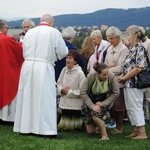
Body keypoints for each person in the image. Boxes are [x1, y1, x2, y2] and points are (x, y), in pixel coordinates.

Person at [13, 14, 68, 136]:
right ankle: (46, 130)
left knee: (27, 96)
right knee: (45, 97)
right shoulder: (54, 32)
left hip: (27, 66)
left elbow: (24, 51)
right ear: (51, 22)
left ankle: (25, 127)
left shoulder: (29, 33)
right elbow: (63, 52)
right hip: (44, 66)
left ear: (41, 21)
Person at [118, 25, 148, 140]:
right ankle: (136, 130)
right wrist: (123, 76)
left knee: (136, 106)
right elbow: (127, 66)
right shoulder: (132, 49)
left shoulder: (140, 48)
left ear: (135, 35)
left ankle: (142, 132)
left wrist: (125, 77)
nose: (127, 37)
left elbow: (139, 68)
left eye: (129, 35)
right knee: (130, 107)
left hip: (135, 83)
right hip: (128, 83)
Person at [81, 62, 120, 140]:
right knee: (90, 131)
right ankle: (97, 123)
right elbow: (82, 92)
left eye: (107, 74)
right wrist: (92, 106)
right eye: (104, 74)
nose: (106, 76)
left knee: (95, 115)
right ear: (98, 74)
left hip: (104, 102)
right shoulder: (90, 76)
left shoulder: (111, 76)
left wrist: (102, 104)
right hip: (91, 102)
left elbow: (116, 93)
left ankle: (104, 136)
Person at [105, 26, 129, 133]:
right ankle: (114, 124)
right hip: (109, 80)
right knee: (112, 105)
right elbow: (105, 64)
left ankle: (119, 127)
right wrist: (109, 68)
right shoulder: (109, 49)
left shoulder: (124, 49)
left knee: (119, 105)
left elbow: (121, 67)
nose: (109, 40)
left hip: (119, 81)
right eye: (108, 38)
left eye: (111, 38)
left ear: (118, 38)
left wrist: (107, 69)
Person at [0, 19, 24, 122]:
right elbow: (20, 50)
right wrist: (23, 41)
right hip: (6, 71)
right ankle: (7, 117)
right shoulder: (6, 39)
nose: (8, 30)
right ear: (2, 28)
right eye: (7, 28)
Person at [57, 51, 86, 130]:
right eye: (67, 58)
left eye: (70, 58)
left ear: (75, 61)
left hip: (74, 106)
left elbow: (82, 91)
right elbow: (58, 83)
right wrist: (61, 90)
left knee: (72, 128)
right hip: (63, 104)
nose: (67, 60)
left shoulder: (80, 73)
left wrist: (69, 92)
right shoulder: (64, 70)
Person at [138, 26, 150, 120]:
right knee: (142, 97)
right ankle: (144, 116)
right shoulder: (139, 44)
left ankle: (146, 116)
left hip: (147, 72)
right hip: (140, 73)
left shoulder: (148, 43)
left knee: (147, 97)